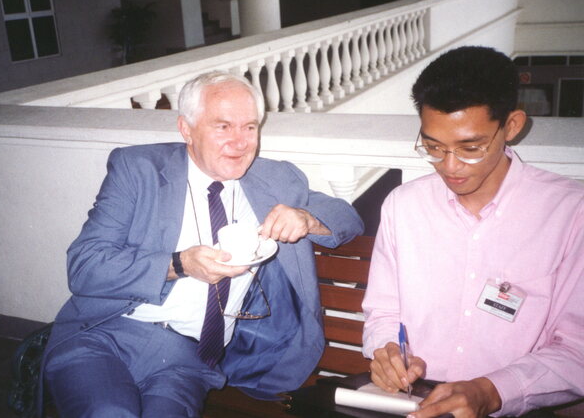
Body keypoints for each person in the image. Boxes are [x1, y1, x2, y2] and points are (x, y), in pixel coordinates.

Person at [40, 70, 364, 418]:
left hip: (186, 361)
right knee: (109, 412)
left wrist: (306, 218)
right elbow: (84, 267)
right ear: (186, 129)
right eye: (223, 126)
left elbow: (348, 217)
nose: (240, 143)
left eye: (249, 127)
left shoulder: (274, 180)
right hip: (106, 336)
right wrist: (179, 264)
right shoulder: (139, 170)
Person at [362, 46, 584, 418]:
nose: (450, 166)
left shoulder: (570, 213)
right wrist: (388, 353)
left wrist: (491, 390)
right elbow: (383, 312)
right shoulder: (404, 205)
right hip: (412, 403)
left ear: (512, 126)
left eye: (470, 147)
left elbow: (577, 350)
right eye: (433, 146)